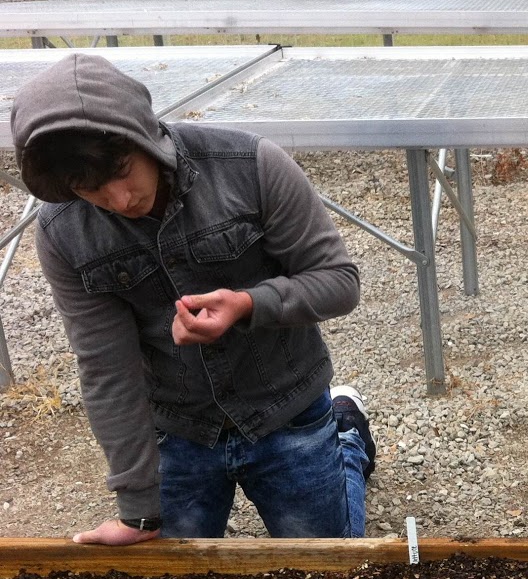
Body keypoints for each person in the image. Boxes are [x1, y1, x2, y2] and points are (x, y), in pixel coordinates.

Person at [10, 53, 377, 545]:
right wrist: (138, 511)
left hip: (286, 406)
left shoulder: (251, 166)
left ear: (143, 135)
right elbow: (106, 368)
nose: (120, 200)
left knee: (330, 559)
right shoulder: (63, 233)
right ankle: (340, 439)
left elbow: (338, 281)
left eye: (121, 171)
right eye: (90, 189)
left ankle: (346, 436)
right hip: (179, 428)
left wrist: (248, 304)